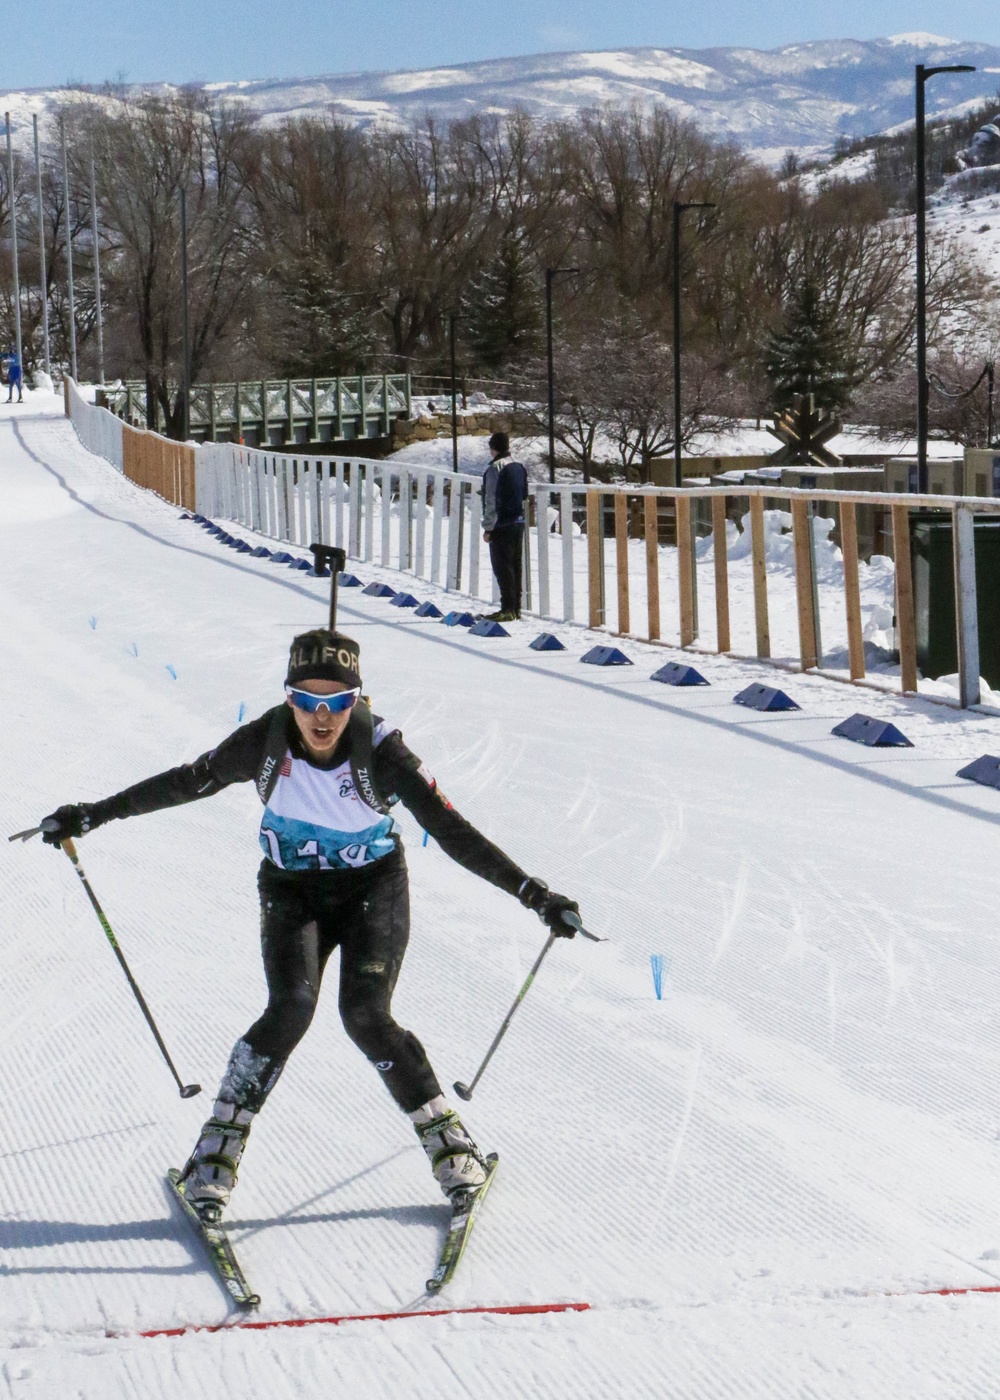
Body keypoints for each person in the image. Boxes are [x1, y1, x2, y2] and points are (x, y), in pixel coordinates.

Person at [39, 629, 580, 1221]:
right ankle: (216, 1151)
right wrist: (93, 814)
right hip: (292, 890)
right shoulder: (265, 742)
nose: (322, 717)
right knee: (290, 1007)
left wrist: (534, 893)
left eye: (338, 702)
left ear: (357, 700)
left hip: (373, 889)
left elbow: (451, 830)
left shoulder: (384, 754)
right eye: (307, 700)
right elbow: (187, 781)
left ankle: (448, 1140)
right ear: (288, 697)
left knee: (366, 1015)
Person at [481, 431, 528, 622]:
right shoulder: (518, 466)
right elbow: (524, 494)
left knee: (502, 567)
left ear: (493, 448)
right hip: (518, 521)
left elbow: (491, 499)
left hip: (501, 524)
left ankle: (507, 608)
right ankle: (516, 608)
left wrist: (488, 528)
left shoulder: (495, 469)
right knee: (515, 566)